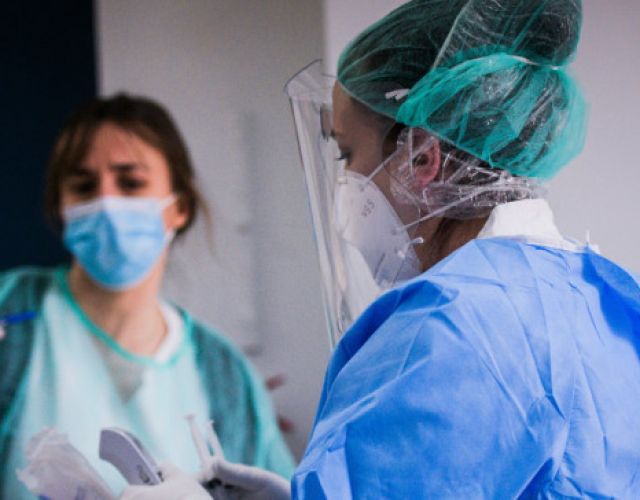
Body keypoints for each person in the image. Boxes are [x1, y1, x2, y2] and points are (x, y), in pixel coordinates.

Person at [121, 0, 640, 498]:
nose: (346, 180)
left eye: (347, 153)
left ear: (422, 159)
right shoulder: (601, 297)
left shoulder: (452, 329)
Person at [0, 94, 294, 498]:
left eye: (131, 183)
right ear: (60, 208)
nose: (105, 201)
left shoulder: (224, 374)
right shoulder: (12, 313)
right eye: (83, 187)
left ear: (179, 207)